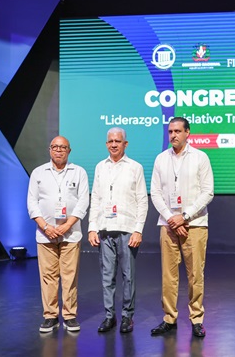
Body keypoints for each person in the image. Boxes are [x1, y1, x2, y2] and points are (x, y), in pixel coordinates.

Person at [149, 117, 214, 338]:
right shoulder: (160, 159)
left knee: (195, 274)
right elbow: (155, 193)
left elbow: (208, 192)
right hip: (168, 225)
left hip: (194, 225)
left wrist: (184, 217)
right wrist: (171, 218)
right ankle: (169, 318)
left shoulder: (200, 157)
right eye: (170, 131)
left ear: (188, 133)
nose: (173, 135)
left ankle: (196, 319)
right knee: (168, 275)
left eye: (177, 131)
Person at [88, 127, 148, 334]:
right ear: (106, 144)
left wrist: (138, 230)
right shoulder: (99, 167)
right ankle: (109, 316)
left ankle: (127, 317)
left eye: (118, 141)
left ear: (125, 144)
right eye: (110, 141)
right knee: (107, 276)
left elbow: (142, 200)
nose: (114, 144)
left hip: (127, 229)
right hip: (104, 229)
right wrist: (92, 228)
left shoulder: (135, 167)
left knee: (128, 276)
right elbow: (95, 198)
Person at [27, 136, 89, 333]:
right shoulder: (38, 173)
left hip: (71, 234)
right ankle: (50, 316)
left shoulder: (79, 172)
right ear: (49, 149)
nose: (59, 150)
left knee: (70, 277)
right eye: (55, 147)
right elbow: (31, 203)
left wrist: (67, 224)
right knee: (48, 277)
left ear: (69, 150)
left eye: (63, 147)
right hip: (45, 235)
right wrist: (46, 227)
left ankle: (70, 316)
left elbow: (83, 202)